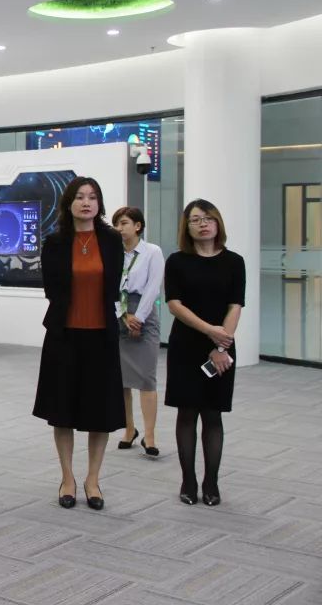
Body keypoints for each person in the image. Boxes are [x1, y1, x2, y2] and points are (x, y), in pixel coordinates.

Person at [33, 176, 125, 510]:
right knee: (63, 411)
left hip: (102, 336)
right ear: (69, 203)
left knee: (101, 412)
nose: (86, 203)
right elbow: (51, 290)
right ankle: (68, 478)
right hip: (65, 336)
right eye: (80, 197)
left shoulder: (112, 240)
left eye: (92, 197)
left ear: (99, 204)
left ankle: (93, 480)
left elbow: (113, 286)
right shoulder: (55, 242)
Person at [164, 199, 245, 507]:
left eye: (208, 218)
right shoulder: (177, 261)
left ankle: (211, 482)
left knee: (213, 414)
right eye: (196, 219)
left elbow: (235, 305)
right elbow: (175, 305)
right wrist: (210, 330)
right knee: (186, 413)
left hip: (221, 348)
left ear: (218, 223)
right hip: (186, 345)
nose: (203, 224)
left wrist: (221, 345)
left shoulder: (234, 261)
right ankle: (188, 480)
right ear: (187, 227)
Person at [111, 206, 164, 457]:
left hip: (143, 312)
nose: (119, 228)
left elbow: (153, 287)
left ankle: (149, 436)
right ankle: (129, 429)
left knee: (146, 378)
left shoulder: (152, 252)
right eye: (116, 224)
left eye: (123, 223)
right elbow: (110, 287)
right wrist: (122, 315)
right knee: (122, 380)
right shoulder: (113, 253)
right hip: (118, 314)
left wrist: (138, 318)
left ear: (138, 226)